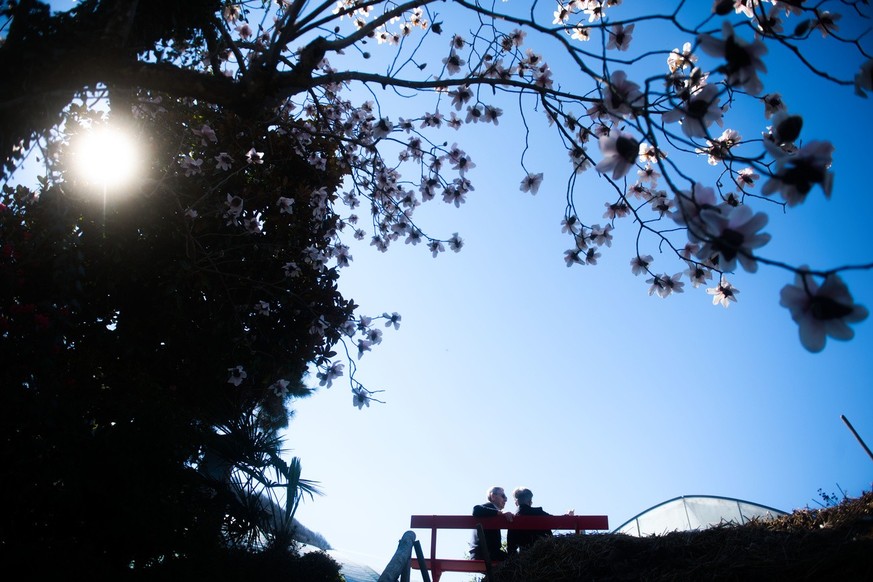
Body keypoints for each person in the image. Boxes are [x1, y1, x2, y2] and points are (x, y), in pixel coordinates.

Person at [470, 485, 513, 561]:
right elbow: (476, 509)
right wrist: (500, 513)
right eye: (503, 496)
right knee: (517, 563)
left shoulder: (491, 512)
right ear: (493, 496)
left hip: (484, 553)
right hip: (485, 553)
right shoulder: (488, 507)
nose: (506, 499)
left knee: (513, 562)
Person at [506, 487, 553, 555]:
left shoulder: (512, 518)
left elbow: (511, 547)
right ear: (530, 501)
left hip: (524, 557)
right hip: (545, 554)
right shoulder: (539, 513)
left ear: (516, 502)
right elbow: (555, 521)